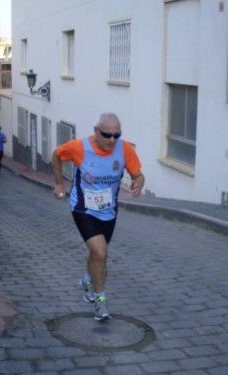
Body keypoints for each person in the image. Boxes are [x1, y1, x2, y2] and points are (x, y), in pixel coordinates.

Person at [52, 113, 145, 321]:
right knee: (100, 254)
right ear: (96, 131)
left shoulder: (125, 149)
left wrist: (139, 182)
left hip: (109, 211)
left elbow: (138, 174)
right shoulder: (79, 147)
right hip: (83, 208)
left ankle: (87, 280)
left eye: (116, 135)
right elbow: (57, 155)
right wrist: (59, 183)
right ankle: (100, 301)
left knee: (97, 256)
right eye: (107, 135)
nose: (112, 140)